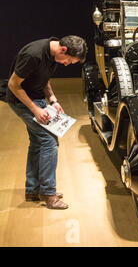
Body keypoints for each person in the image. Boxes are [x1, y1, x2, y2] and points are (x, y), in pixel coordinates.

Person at [6, 36, 87, 210]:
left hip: (36, 99)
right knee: (49, 141)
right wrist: (35, 109)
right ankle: (49, 194)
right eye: (69, 61)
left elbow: (44, 79)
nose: (66, 64)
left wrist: (52, 100)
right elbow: (13, 84)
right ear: (63, 50)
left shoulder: (53, 54)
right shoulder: (33, 54)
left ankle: (33, 190)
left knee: (37, 142)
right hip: (21, 101)